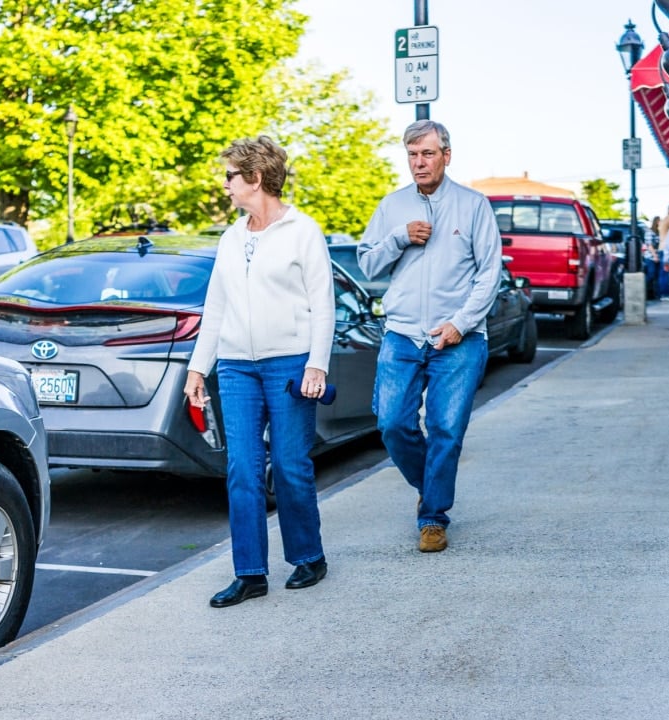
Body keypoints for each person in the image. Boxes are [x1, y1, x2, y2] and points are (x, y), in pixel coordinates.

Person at [184, 136, 334, 608]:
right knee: (242, 470)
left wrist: (317, 364)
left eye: (230, 175)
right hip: (235, 367)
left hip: (289, 362)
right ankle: (249, 573)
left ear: (255, 177)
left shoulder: (302, 231)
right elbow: (216, 305)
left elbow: (323, 305)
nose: (225, 184)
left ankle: (308, 556)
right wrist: (197, 369)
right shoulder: (231, 237)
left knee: (290, 467)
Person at [357, 120, 502, 553]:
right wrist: (400, 238)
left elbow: (490, 273)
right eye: (412, 155)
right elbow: (367, 264)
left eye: (428, 154)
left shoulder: (474, 206)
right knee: (391, 422)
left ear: (446, 155)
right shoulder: (392, 206)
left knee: (445, 428)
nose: (419, 162)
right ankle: (431, 485)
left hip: (458, 337)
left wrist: (461, 322)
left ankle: (433, 517)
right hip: (401, 333)